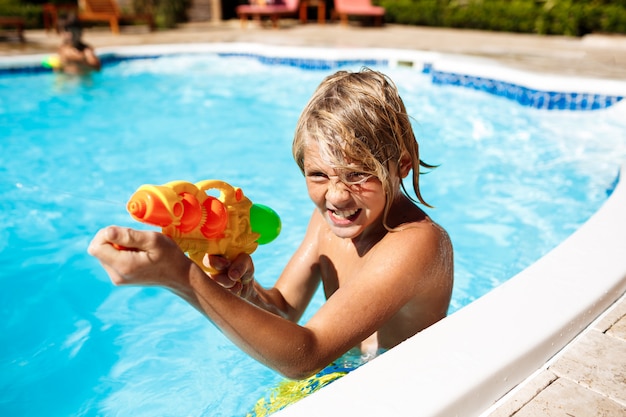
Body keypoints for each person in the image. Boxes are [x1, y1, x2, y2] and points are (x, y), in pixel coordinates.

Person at [88, 68, 454, 381]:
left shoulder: (416, 242)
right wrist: (246, 291)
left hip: (397, 392)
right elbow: (283, 310)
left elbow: (307, 356)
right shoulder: (328, 222)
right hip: (343, 375)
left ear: (402, 165)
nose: (337, 196)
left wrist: (181, 277)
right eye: (318, 175)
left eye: (358, 175)